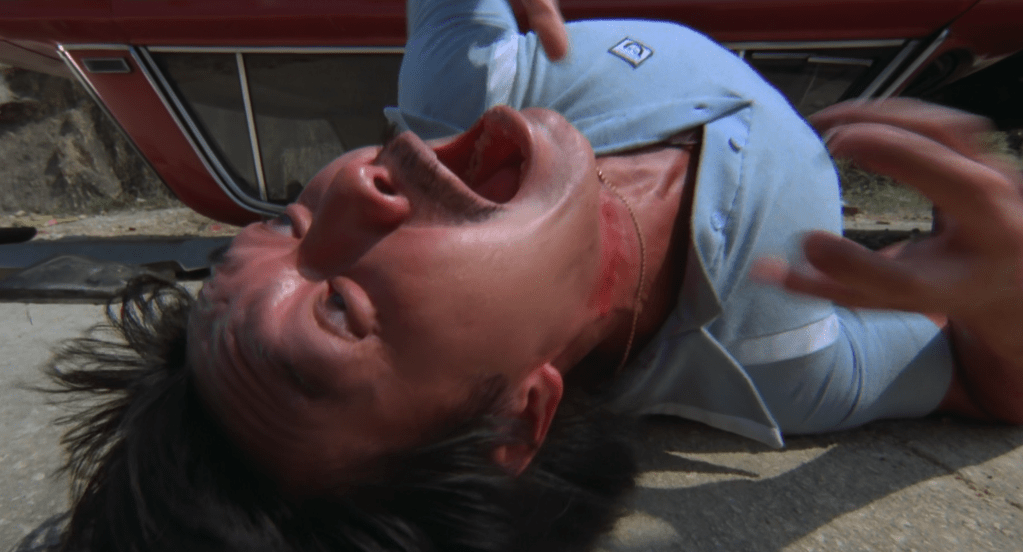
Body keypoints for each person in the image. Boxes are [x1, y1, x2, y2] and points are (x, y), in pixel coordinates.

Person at [45, 0, 1023, 550]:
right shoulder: (777, 354)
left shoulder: (464, 85)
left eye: (285, 223)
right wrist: (1001, 294)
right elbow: (991, 386)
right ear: (517, 419)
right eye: (339, 309)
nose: (353, 182)